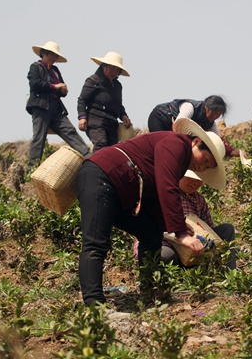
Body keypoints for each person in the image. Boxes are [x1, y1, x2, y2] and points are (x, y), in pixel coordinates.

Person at [76, 118, 226, 306]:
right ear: (195, 142)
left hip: (122, 191)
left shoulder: (179, 160)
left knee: (151, 232)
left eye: (206, 167)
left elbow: (154, 196)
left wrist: (175, 223)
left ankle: (150, 293)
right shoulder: (177, 143)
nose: (201, 167)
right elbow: (167, 187)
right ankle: (94, 306)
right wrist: (180, 233)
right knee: (95, 244)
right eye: (204, 160)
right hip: (101, 176)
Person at [133, 170, 237, 270]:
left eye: (200, 180)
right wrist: (178, 235)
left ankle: (228, 274)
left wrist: (207, 241)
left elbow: (209, 228)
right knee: (166, 256)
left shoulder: (199, 200)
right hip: (164, 244)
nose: (196, 183)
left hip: (191, 249)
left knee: (227, 230)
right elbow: (147, 226)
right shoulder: (164, 193)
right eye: (192, 178)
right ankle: (163, 282)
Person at [26, 41, 90, 172]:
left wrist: (62, 90)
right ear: (44, 53)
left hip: (56, 108)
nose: (54, 58)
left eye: (55, 56)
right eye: (52, 55)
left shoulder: (55, 70)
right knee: (39, 138)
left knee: (70, 132)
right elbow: (35, 84)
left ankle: (89, 157)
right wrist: (55, 86)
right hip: (41, 107)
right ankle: (31, 170)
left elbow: (60, 87)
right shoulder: (35, 67)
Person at [147, 95, 240, 157]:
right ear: (206, 107)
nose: (214, 117)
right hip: (160, 119)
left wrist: (232, 152)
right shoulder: (190, 107)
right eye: (213, 113)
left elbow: (218, 140)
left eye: (218, 115)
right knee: (161, 149)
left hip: (174, 130)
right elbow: (179, 125)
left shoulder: (210, 123)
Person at [77, 52, 132, 153]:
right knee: (101, 143)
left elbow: (118, 104)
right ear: (104, 67)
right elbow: (82, 100)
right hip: (96, 121)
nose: (114, 71)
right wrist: (82, 117)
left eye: (116, 69)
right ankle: (94, 168)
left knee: (112, 150)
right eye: (112, 68)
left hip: (111, 123)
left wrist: (123, 115)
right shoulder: (93, 81)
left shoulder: (117, 86)